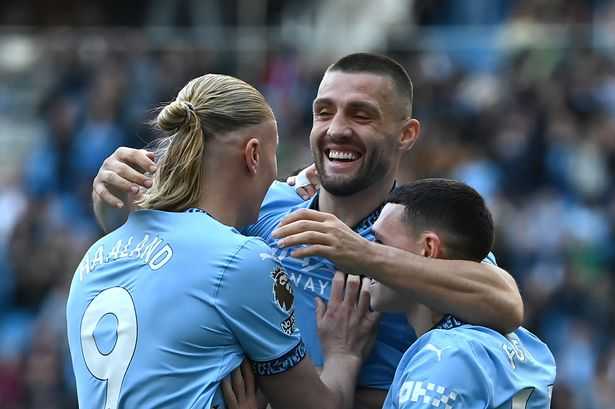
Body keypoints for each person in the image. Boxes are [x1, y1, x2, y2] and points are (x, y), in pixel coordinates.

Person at [91, 53, 524, 409]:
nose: (337, 129)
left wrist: (362, 253)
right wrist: (108, 199)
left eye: (361, 115)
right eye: (324, 112)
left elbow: (505, 302)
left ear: (406, 134)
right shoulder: (265, 206)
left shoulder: (418, 236)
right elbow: (154, 242)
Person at [66, 73, 378, 409]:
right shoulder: (240, 260)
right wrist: (343, 354)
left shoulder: (93, 258)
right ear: (253, 155)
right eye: (275, 155)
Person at [227, 179, 556, 409]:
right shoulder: (524, 344)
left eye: (379, 243)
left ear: (428, 249)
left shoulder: (444, 356)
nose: (363, 255)